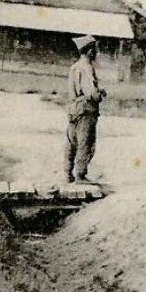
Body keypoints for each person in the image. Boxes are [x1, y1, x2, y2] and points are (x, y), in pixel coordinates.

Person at [65, 33, 107, 183]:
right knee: (85, 142)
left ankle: (67, 173)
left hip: (73, 107)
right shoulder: (87, 68)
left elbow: (73, 89)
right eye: (95, 49)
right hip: (86, 109)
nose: (96, 53)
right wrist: (100, 94)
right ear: (89, 51)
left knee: (71, 141)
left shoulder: (74, 67)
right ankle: (80, 175)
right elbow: (91, 93)